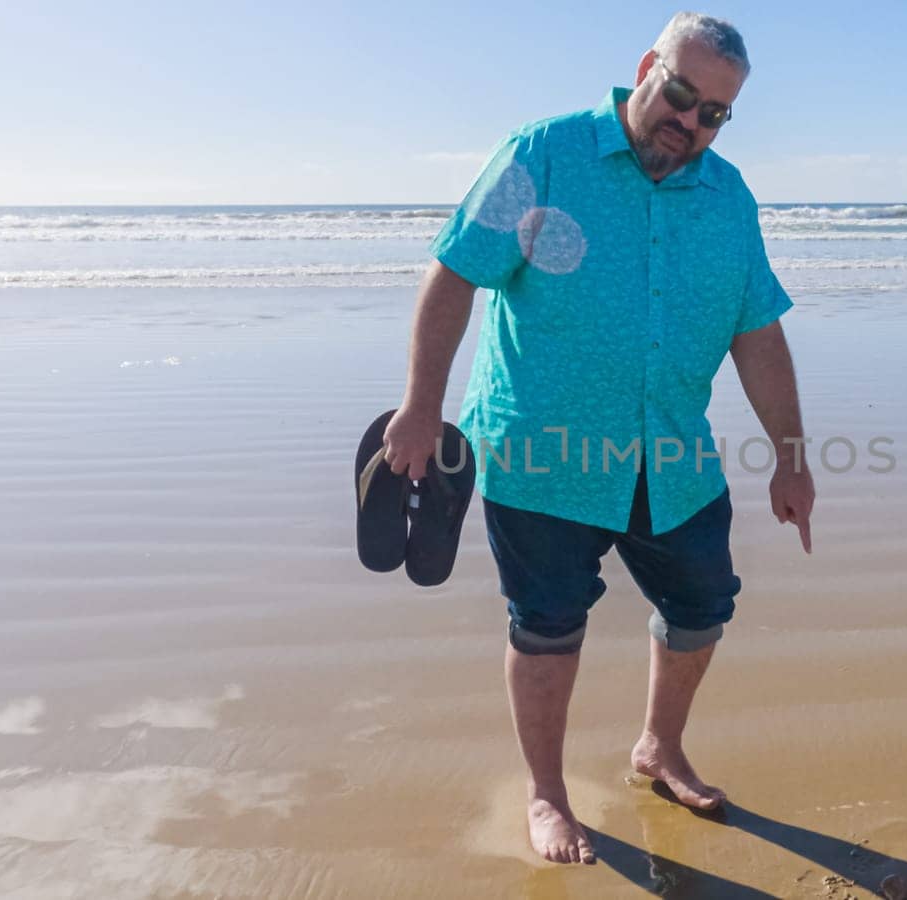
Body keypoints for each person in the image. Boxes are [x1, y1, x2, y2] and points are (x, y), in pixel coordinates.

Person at [380, 11, 814, 865]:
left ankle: (659, 746)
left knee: (701, 605)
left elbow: (757, 334)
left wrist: (792, 457)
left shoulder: (727, 197)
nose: (689, 123)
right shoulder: (544, 155)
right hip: (541, 458)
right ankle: (547, 794)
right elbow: (455, 272)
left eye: (714, 113)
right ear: (649, 67)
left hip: (673, 459)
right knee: (545, 624)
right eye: (681, 95)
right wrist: (421, 405)